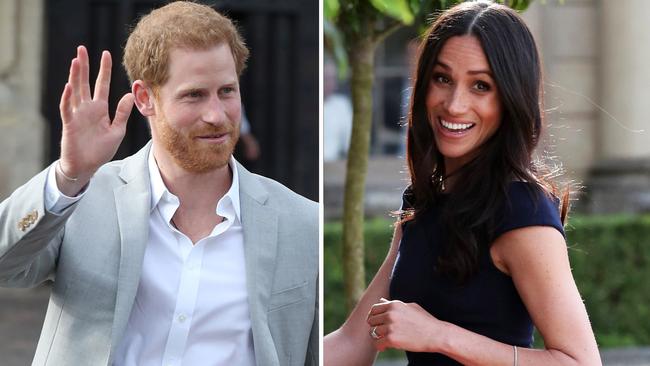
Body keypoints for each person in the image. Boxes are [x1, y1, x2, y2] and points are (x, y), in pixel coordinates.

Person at [0, 2, 317, 366]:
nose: (216, 115)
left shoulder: (302, 223)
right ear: (145, 98)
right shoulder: (82, 199)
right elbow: (5, 265)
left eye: (227, 91)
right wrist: (70, 175)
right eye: (194, 95)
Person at [324, 1, 601, 365]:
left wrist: (439, 335)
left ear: (510, 98)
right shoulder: (424, 200)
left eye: (480, 86)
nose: (454, 105)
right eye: (442, 79)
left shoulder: (521, 210)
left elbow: (580, 362)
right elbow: (353, 341)